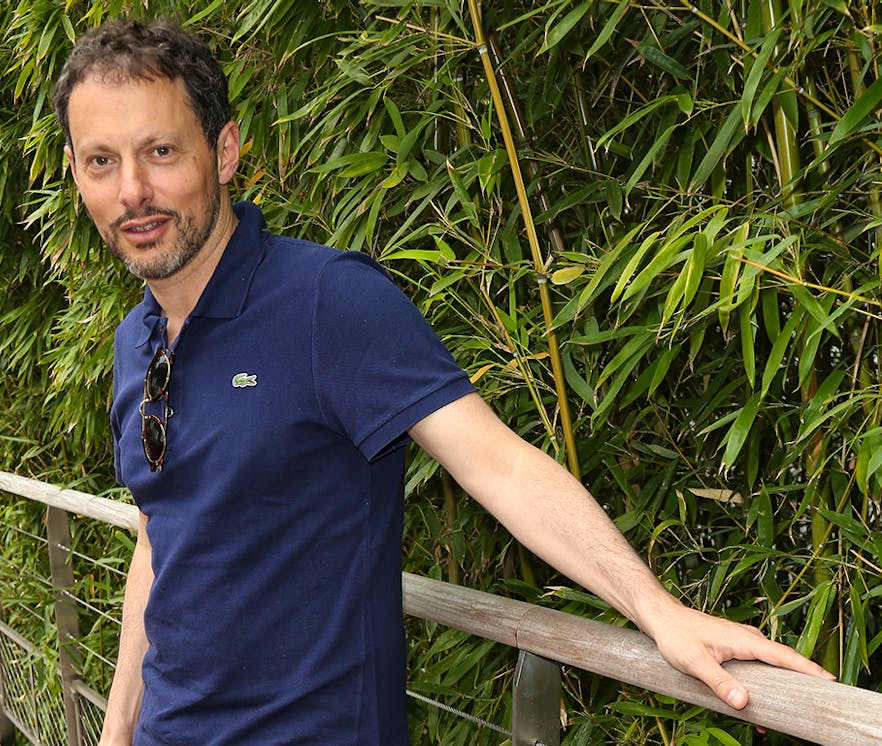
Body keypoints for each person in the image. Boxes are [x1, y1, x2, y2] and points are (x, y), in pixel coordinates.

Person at [53, 17, 833, 746]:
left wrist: (656, 610)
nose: (131, 193)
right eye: (101, 162)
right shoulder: (135, 340)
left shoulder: (328, 302)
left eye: (161, 153)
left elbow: (498, 465)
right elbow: (163, 531)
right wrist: (118, 728)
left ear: (222, 153)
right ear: (76, 173)